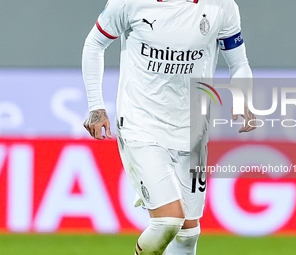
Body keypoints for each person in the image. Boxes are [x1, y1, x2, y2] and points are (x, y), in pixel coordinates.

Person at [82, 0, 256, 254]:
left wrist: (243, 96)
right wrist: (96, 106)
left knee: (188, 233)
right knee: (167, 221)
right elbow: (94, 43)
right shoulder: (129, 3)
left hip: (193, 131)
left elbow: (238, 62)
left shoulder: (221, 6)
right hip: (141, 123)